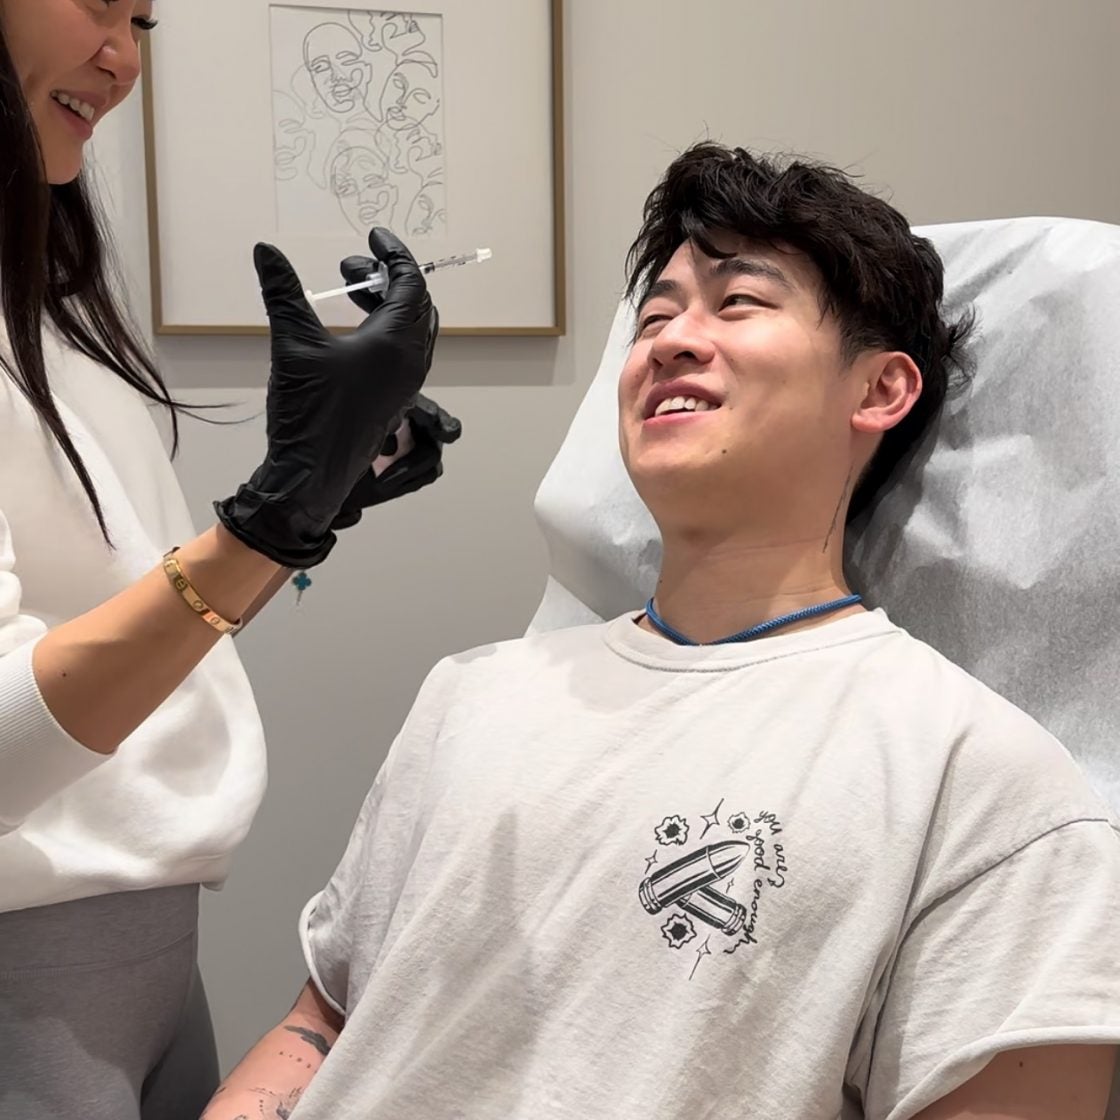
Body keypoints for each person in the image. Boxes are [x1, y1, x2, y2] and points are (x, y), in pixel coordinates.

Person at [205, 142, 1120, 1120]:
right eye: (654, 315)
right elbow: (327, 1018)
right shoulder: (470, 693)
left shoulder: (984, 787)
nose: (673, 340)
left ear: (878, 390)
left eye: (739, 303)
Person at [0, 2, 457, 1118]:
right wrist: (266, 526)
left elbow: (131, 626)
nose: (123, 57)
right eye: (94, 2)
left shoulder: (47, 314)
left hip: (154, 959)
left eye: (142, 20)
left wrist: (305, 509)